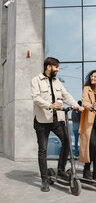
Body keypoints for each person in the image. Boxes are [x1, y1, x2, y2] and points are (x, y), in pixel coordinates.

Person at [31, 57, 84, 192]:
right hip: (42, 120)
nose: (58, 69)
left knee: (66, 141)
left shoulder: (57, 82)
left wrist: (76, 106)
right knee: (43, 149)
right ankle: (44, 179)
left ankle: (60, 170)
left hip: (57, 119)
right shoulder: (36, 80)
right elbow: (36, 98)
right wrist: (50, 105)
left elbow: (66, 95)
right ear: (49, 67)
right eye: (56, 67)